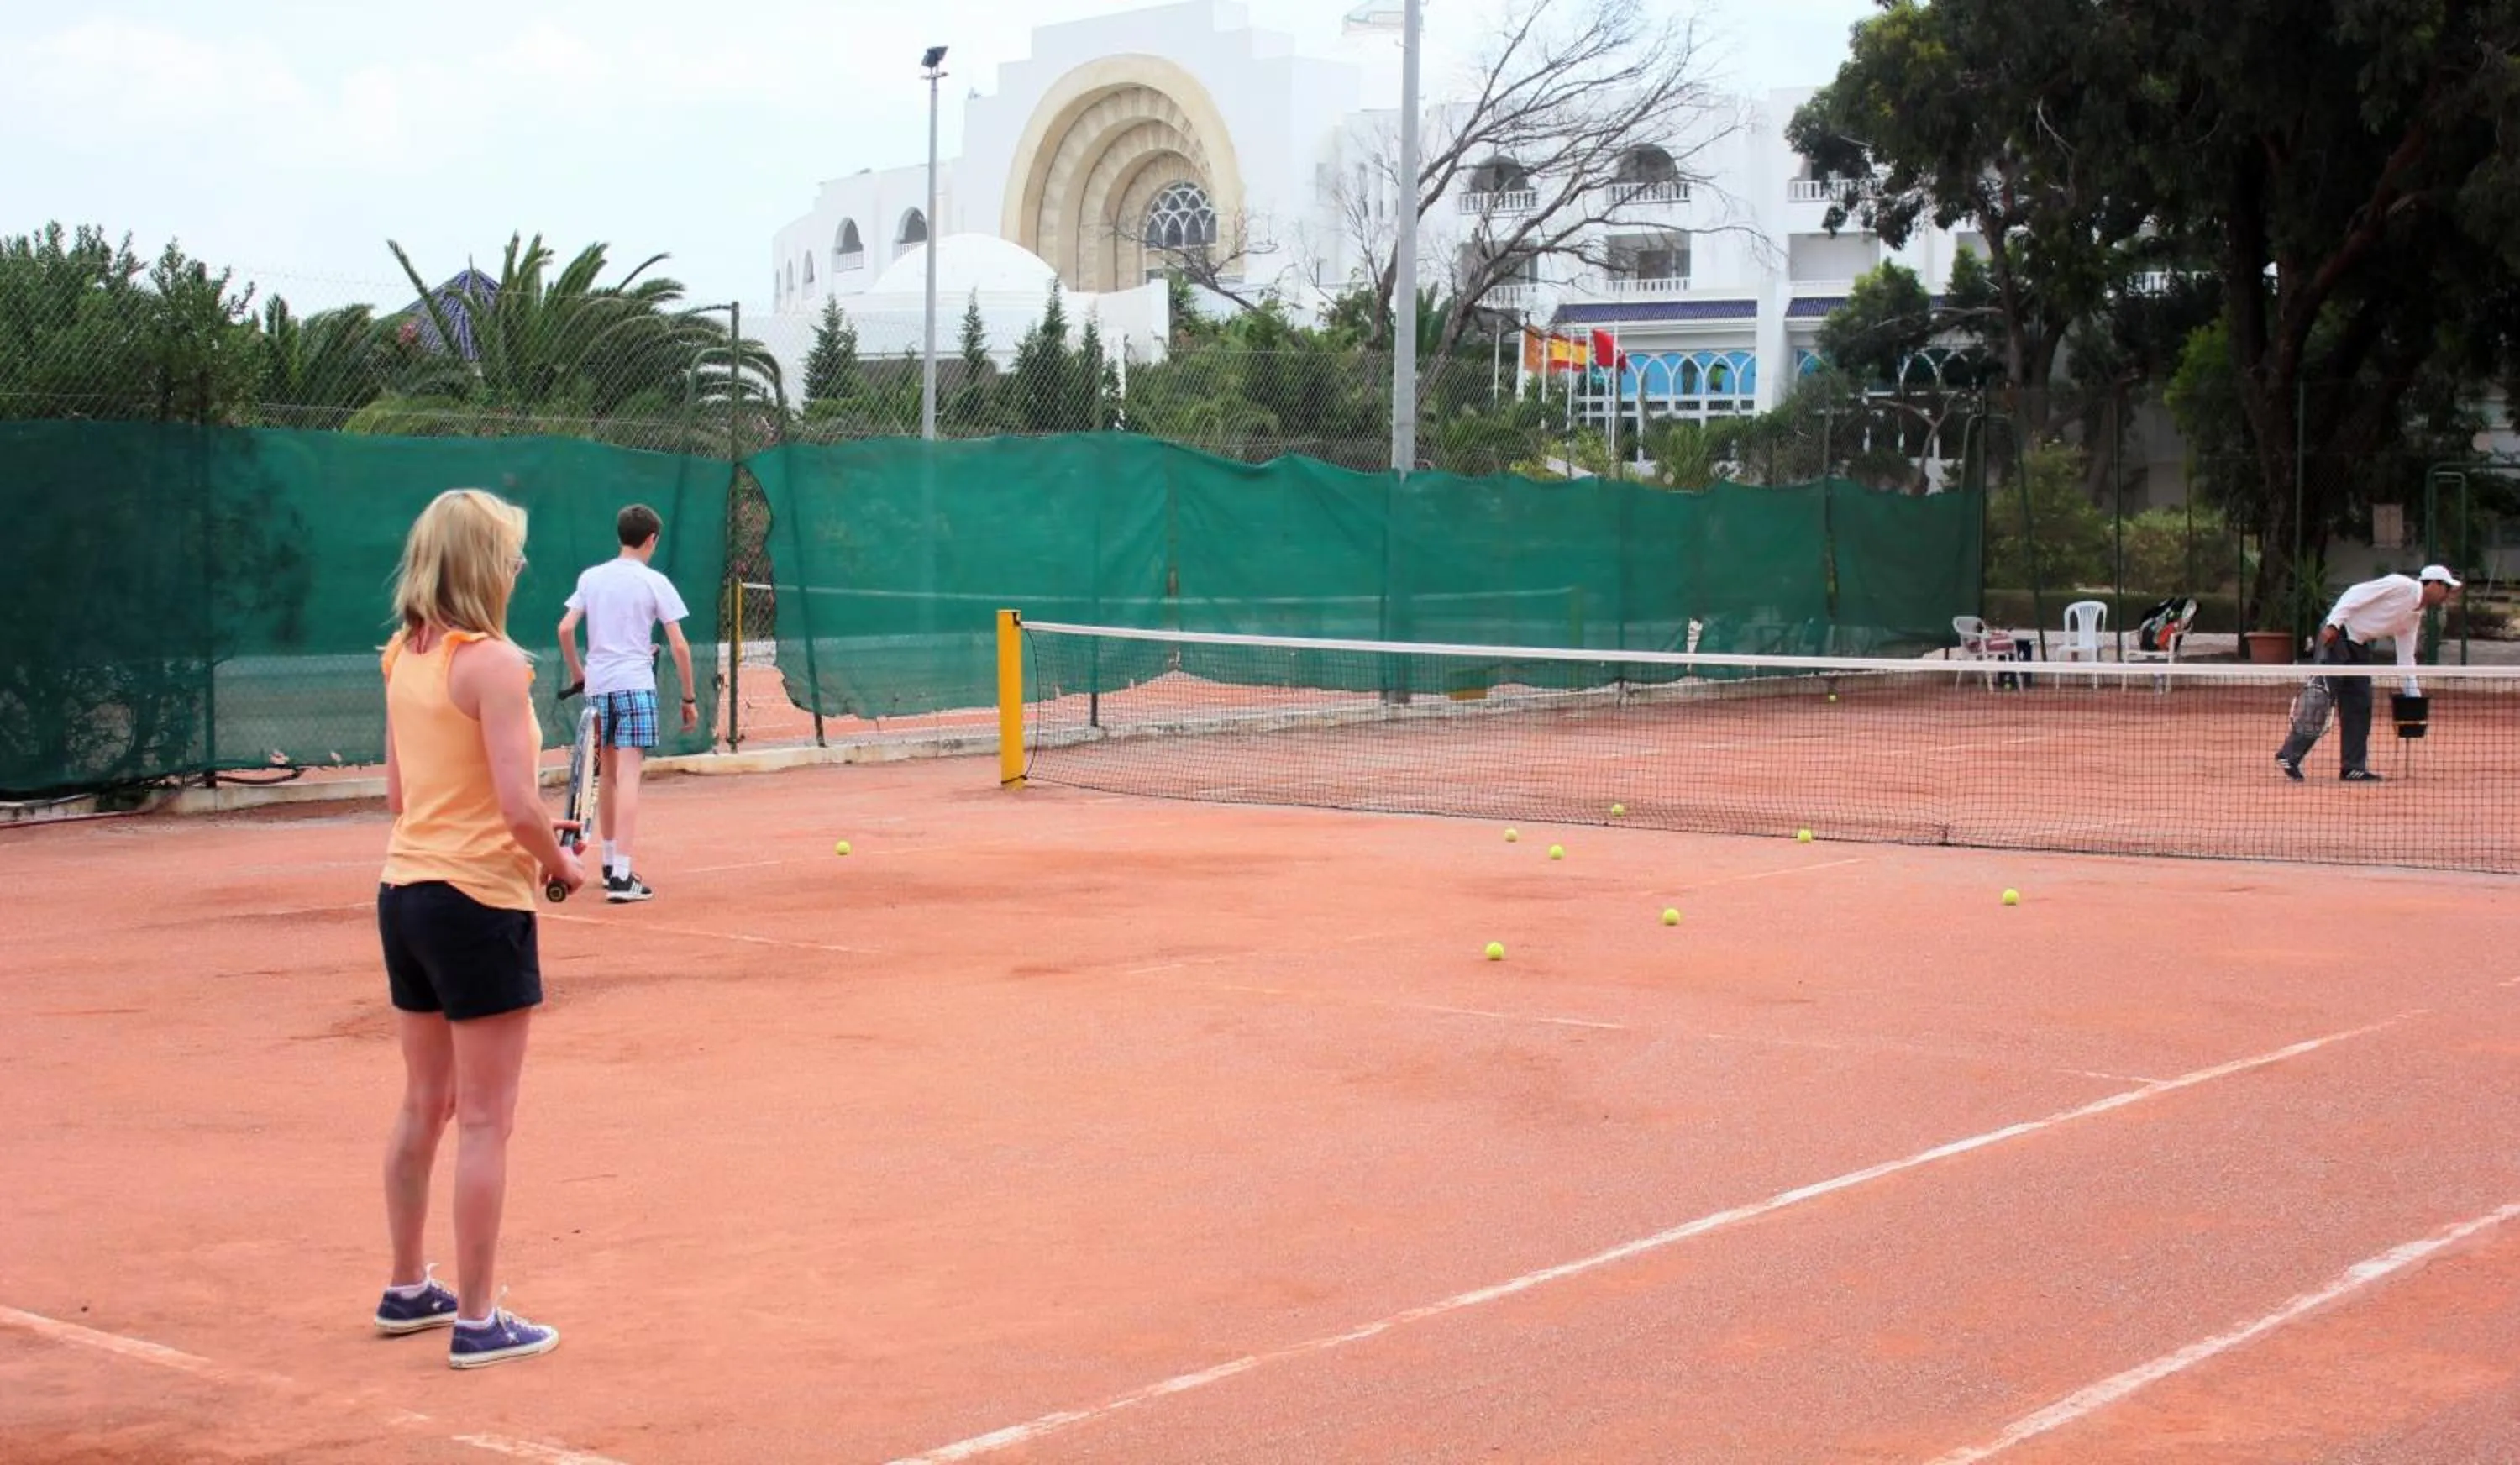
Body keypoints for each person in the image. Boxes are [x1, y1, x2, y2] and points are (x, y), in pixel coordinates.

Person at [374, 488, 581, 1369]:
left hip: (406, 893)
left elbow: (401, 797)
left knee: (428, 1102)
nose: (521, 565)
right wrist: (560, 861)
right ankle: (479, 1318)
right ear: (482, 563)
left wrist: (533, 834)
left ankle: (409, 1286)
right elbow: (513, 805)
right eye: (512, 551)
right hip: (477, 901)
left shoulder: (404, 654)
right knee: (487, 1119)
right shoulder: (495, 664)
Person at [556, 504, 697, 902]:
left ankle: (609, 863)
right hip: (636, 686)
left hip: (599, 689)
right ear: (652, 538)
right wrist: (688, 697)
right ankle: (622, 875)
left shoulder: (591, 578)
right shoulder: (654, 582)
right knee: (631, 775)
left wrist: (579, 674)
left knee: (609, 778)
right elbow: (680, 645)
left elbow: (565, 628)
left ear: (620, 535)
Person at [2276, 564, 2461, 782]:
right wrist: (2334, 623)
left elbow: (2406, 659)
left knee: (2360, 703)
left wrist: (2414, 696)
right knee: (2321, 698)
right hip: (2339, 633)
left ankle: (2353, 768)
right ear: (2433, 584)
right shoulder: (2402, 585)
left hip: (2360, 645)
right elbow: (2355, 593)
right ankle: (2289, 755)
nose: (2448, 594)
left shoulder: (2413, 617)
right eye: (2447, 588)